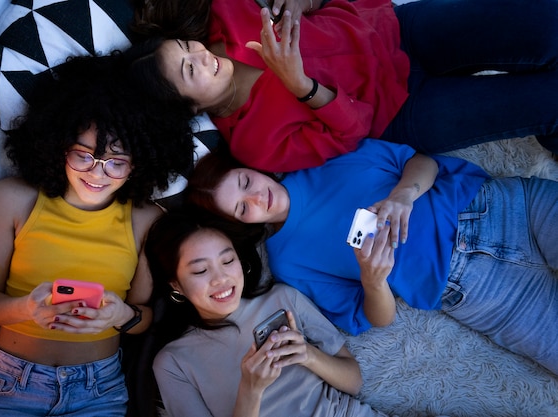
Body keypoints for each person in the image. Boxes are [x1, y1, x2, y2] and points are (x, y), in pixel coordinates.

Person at [184, 139, 558, 376]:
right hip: (476, 290)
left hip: (501, 209)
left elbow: (421, 161)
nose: (256, 198)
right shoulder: (287, 263)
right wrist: (373, 280)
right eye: (242, 209)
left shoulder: (321, 155)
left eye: (246, 183)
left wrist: (403, 195)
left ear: (250, 168)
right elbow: (376, 319)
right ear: (239, 225)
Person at [0, 55, 194, 416]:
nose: (97, 174)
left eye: (117, 162)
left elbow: (142, 315)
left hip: (100, 390)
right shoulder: (10, 199)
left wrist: (119, 315)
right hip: (10, 384)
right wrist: (26, 308)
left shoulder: (146, 219)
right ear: (59, 146)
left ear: (138, 165)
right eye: (84, 155)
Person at [128, 0, 558, 173]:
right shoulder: (252, 143)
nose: (202, 55)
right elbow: (353, 133)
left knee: (547, 22)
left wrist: (303, 0)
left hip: (392, 30)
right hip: (402, 111)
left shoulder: (225, 13)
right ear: (188, 109)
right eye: (189, 70)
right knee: (548, 99)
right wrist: (300, 85)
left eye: (188, 46)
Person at [144, 210, 395, 417]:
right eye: (200, 271)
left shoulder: (283, 298)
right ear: (175, 284)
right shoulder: (173, 363)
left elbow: (354, 381)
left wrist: (308, 355)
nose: (221, 279)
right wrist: (250, 390)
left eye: (228, 261)